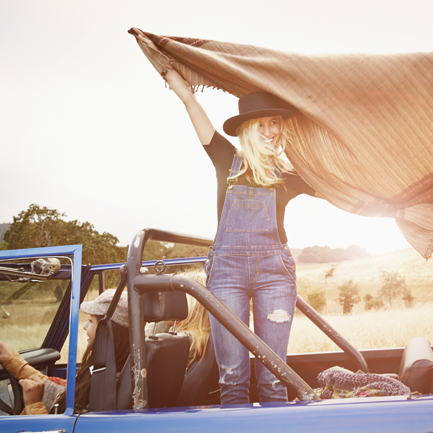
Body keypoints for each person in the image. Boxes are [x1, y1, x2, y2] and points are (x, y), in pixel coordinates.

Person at [132, 29, 317, 405]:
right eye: (261, 123)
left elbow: (342, 186)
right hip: (227, 273)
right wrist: (167, 67)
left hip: (274, 275)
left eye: (275, 123)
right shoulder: (225, 160)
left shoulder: (291, 177)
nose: (269, 130)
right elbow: (191, 104)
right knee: (232, 376)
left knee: (274, 376)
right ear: (247, 129)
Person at [0, 288, 130, 414]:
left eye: (91, 321)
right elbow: (67, 389)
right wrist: (12, 362)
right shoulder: (110, 373)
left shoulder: (107, 387)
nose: (85, 327)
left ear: (108, 332)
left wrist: (33, 405)